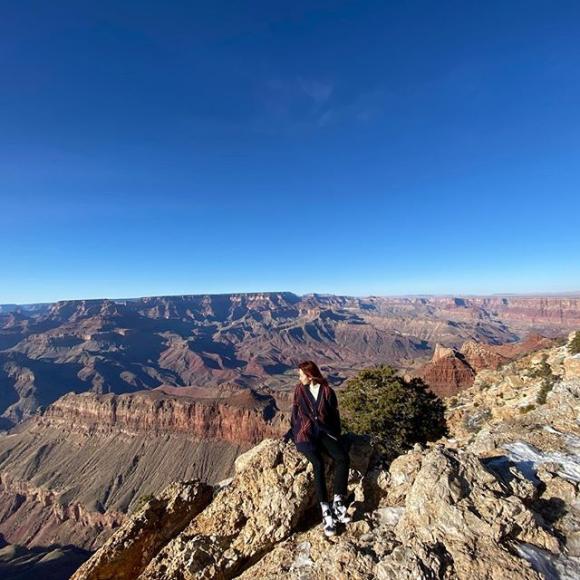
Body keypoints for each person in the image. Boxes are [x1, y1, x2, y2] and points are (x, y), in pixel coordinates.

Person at [282, 360, 351, 537]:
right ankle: (326, 511)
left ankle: (339, 502)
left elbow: (334, 416)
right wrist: (292, 433)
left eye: (301, 374)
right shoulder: (299, 390)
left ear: (310, 375)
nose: (299, 377)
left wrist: (336, 436)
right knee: (318, 464)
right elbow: (295, 413)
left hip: (324, 433)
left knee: (342, 458)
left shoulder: (328, 392)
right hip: (304, 434)